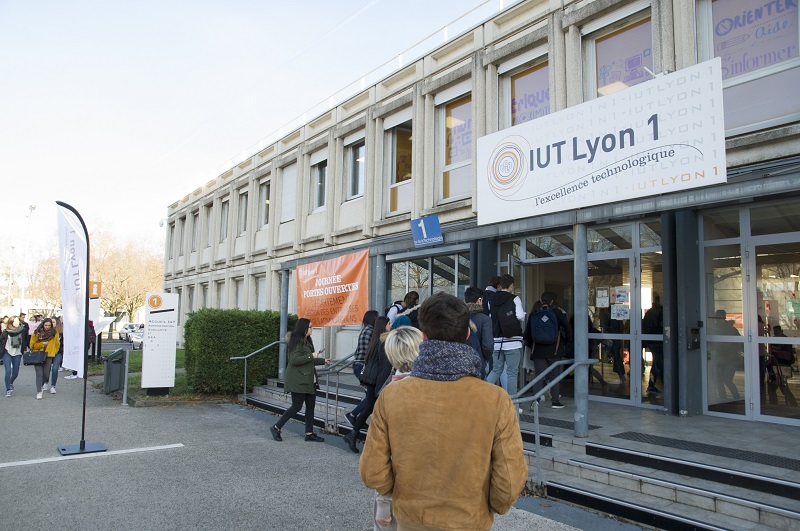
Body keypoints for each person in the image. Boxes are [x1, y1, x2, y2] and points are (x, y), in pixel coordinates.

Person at [359, 292, 528, 530]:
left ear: (423, 336)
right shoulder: (496, 399)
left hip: (410, 519)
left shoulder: (392, 396)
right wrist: (488, 505)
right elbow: (509, 481)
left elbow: (372, 471)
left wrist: (398, 494)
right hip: (469, 519)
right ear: (467, 333)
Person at [371, 325, 423, 531]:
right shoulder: (437, 388)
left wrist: (383, 504)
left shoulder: (392, 395)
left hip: (400, 492)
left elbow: (381, 455)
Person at [269, 318, 330, 442]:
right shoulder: (296, 341)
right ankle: (276, 427)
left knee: (310, 406)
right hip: (298, 380)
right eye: (310, 327)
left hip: (309, 379)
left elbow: (308, 360)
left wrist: (323, 361)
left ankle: (309, 433)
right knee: (296, 407)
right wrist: (311, 355)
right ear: (304, 328)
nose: (312, 329)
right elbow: (294, 360)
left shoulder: (306, 341)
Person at [344, 316, 392, 454]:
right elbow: (384, 367)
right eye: (389, 323)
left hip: (371, 379)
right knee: (371, 408)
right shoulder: (383, 341)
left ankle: (353, 434)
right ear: (384, 325)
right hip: (374, 380)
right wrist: (380, 387)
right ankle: (353, 434)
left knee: (371, 408)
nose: (391, 325)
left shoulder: (376, 340)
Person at [525, 291, 572, 409]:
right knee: (554, 376)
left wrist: (533, 345)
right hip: (554, 349)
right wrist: (566, 343)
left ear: (541, 300)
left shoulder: (534, 314)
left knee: (539, 376)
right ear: (552, 301)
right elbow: (568, 328)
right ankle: (555, 401)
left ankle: (535, 400)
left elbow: (527, 334)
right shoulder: (557, 313)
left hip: (538, 350)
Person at [485, 274, 525, 396]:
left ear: (500, 285)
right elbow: (520, 316)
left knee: (496, 370)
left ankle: (481, 393)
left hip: (496, 341)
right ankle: (512, 402)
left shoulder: (491, 299)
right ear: (511, 285)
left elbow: (489, 316)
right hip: (512, 341)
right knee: (512, 373)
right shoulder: (514, 298)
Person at [346, 310, 379, 426]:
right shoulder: (369, 331)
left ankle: (359, 419)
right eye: (377, 317)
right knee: (371, 396)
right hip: (362, 366)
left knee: (370, 395)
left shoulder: (367, 330)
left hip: (361, 365)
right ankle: (353, 415)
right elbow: (371, 351)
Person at [465, 286, 493, 379]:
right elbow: (488, 346)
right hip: (479, 361)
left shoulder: (458, 317)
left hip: (461, 361)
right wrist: (485, 358)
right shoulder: (485, 319)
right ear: (479, 300)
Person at [30, 318, 60, 400]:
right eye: (46, 325)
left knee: (46, 374)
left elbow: (57, 344)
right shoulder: (37, 333)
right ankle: (39, 391)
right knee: (39, 374)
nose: (47, 327)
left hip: (48, 355)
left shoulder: (54, 333)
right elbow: (32, 345)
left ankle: (41, 385)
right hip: (38, 355)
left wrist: (53, 351)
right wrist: (41, 344)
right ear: (42, 325)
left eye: (49, 325)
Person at [642, 294, 664, 395]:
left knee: (658, 362)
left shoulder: (650, 312)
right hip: (657, 341)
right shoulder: (660, 311)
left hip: (651, 341)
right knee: (658, 363)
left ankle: (654, 385)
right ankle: (652, 385)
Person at [1, 316, 26, 397]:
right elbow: (1, 340)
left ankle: (10, 382)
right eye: (14, 321)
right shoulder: (6, 331)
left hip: (17, 352)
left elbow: (26, 340)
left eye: (17, 321)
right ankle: (8, 390)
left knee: (15, 373)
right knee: (8, 371)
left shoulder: (23, 330)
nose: (16, 323)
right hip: (7, 352)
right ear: (11, 322)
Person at [50, 317, 64, 393]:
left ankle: (53, 386)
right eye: (51, 322)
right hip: (49, 353)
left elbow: (63, 343)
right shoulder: (47, 332)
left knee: (55, 368)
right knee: (46, 369)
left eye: (53, 322)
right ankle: (45, 382)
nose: (52, 324)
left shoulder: (61, 333)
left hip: (58, 353)